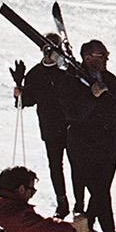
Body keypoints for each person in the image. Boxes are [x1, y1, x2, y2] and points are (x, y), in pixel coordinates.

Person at [66, 39, 116, 232]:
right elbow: (72, 114)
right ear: (87, 58)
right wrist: (91, 97)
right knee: (99, 192)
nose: (105, 59)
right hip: (82, 146)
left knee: (101, 191)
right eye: (100, 55)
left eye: (106, 54)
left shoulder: (110, 80)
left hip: (108, 146)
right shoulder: (72, 80)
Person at [14, 41, 78, 217]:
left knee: (77, 166)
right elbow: (27, 100)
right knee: (55, 166)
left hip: (72, 126)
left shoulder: (68, 71)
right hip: (50, 127)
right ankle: (62, 201)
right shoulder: (35, 73)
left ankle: (79, 203)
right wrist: (19, 92)